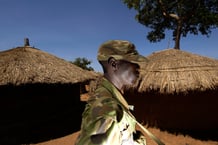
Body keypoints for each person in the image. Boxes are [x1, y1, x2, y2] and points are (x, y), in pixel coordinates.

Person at [75, 40, 148, 145]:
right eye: (133, 62)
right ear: (114, 64)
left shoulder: (114, 99)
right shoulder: (107, 108)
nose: (138, 68)